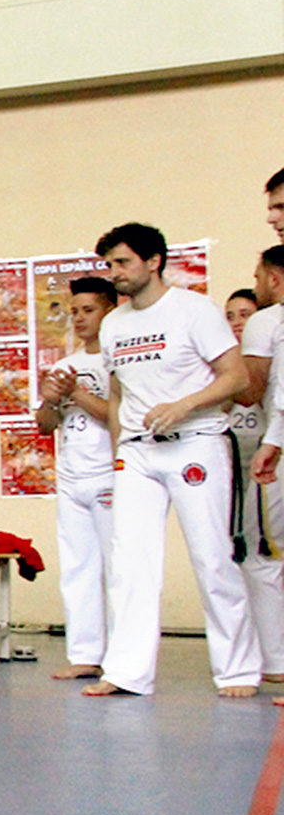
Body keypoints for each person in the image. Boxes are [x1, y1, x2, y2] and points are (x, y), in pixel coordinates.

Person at [86, 223, 258, 697]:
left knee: (212, 559)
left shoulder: (194, 310)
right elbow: (119, 393)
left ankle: (238, 670)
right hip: (139, 453)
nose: (114, 273)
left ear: (154, 261)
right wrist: (120, 450)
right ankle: (126, 671)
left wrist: (184, 405)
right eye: (109, 265)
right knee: (130, 564)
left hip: (196, 443)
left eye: (122, 262)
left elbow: (237, 377)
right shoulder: (114, 324)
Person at [34, 276, 118, 681]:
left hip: (111, 475)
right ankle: (85, 653)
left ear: (110, 310)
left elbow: (119, 417)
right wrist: (52, 399)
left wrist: (78, 394)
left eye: (89, 310)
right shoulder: (67, 365)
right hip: (71, 476)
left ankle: (123, 656)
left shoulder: (117, 360)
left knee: (118, 569)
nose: (80, 319)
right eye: (75, 312)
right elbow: (45, 424)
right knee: (78, 566)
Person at [224, 285, 284, 683]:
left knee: (265, 556)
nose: (237, 322)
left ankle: (276, 660)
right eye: (229, 316)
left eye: (245, 313)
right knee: (246, 558)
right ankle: (266, 653)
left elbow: (259, 395)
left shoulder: (263, 356)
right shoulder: (221, 366)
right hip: (238, 473)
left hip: (268, 462)